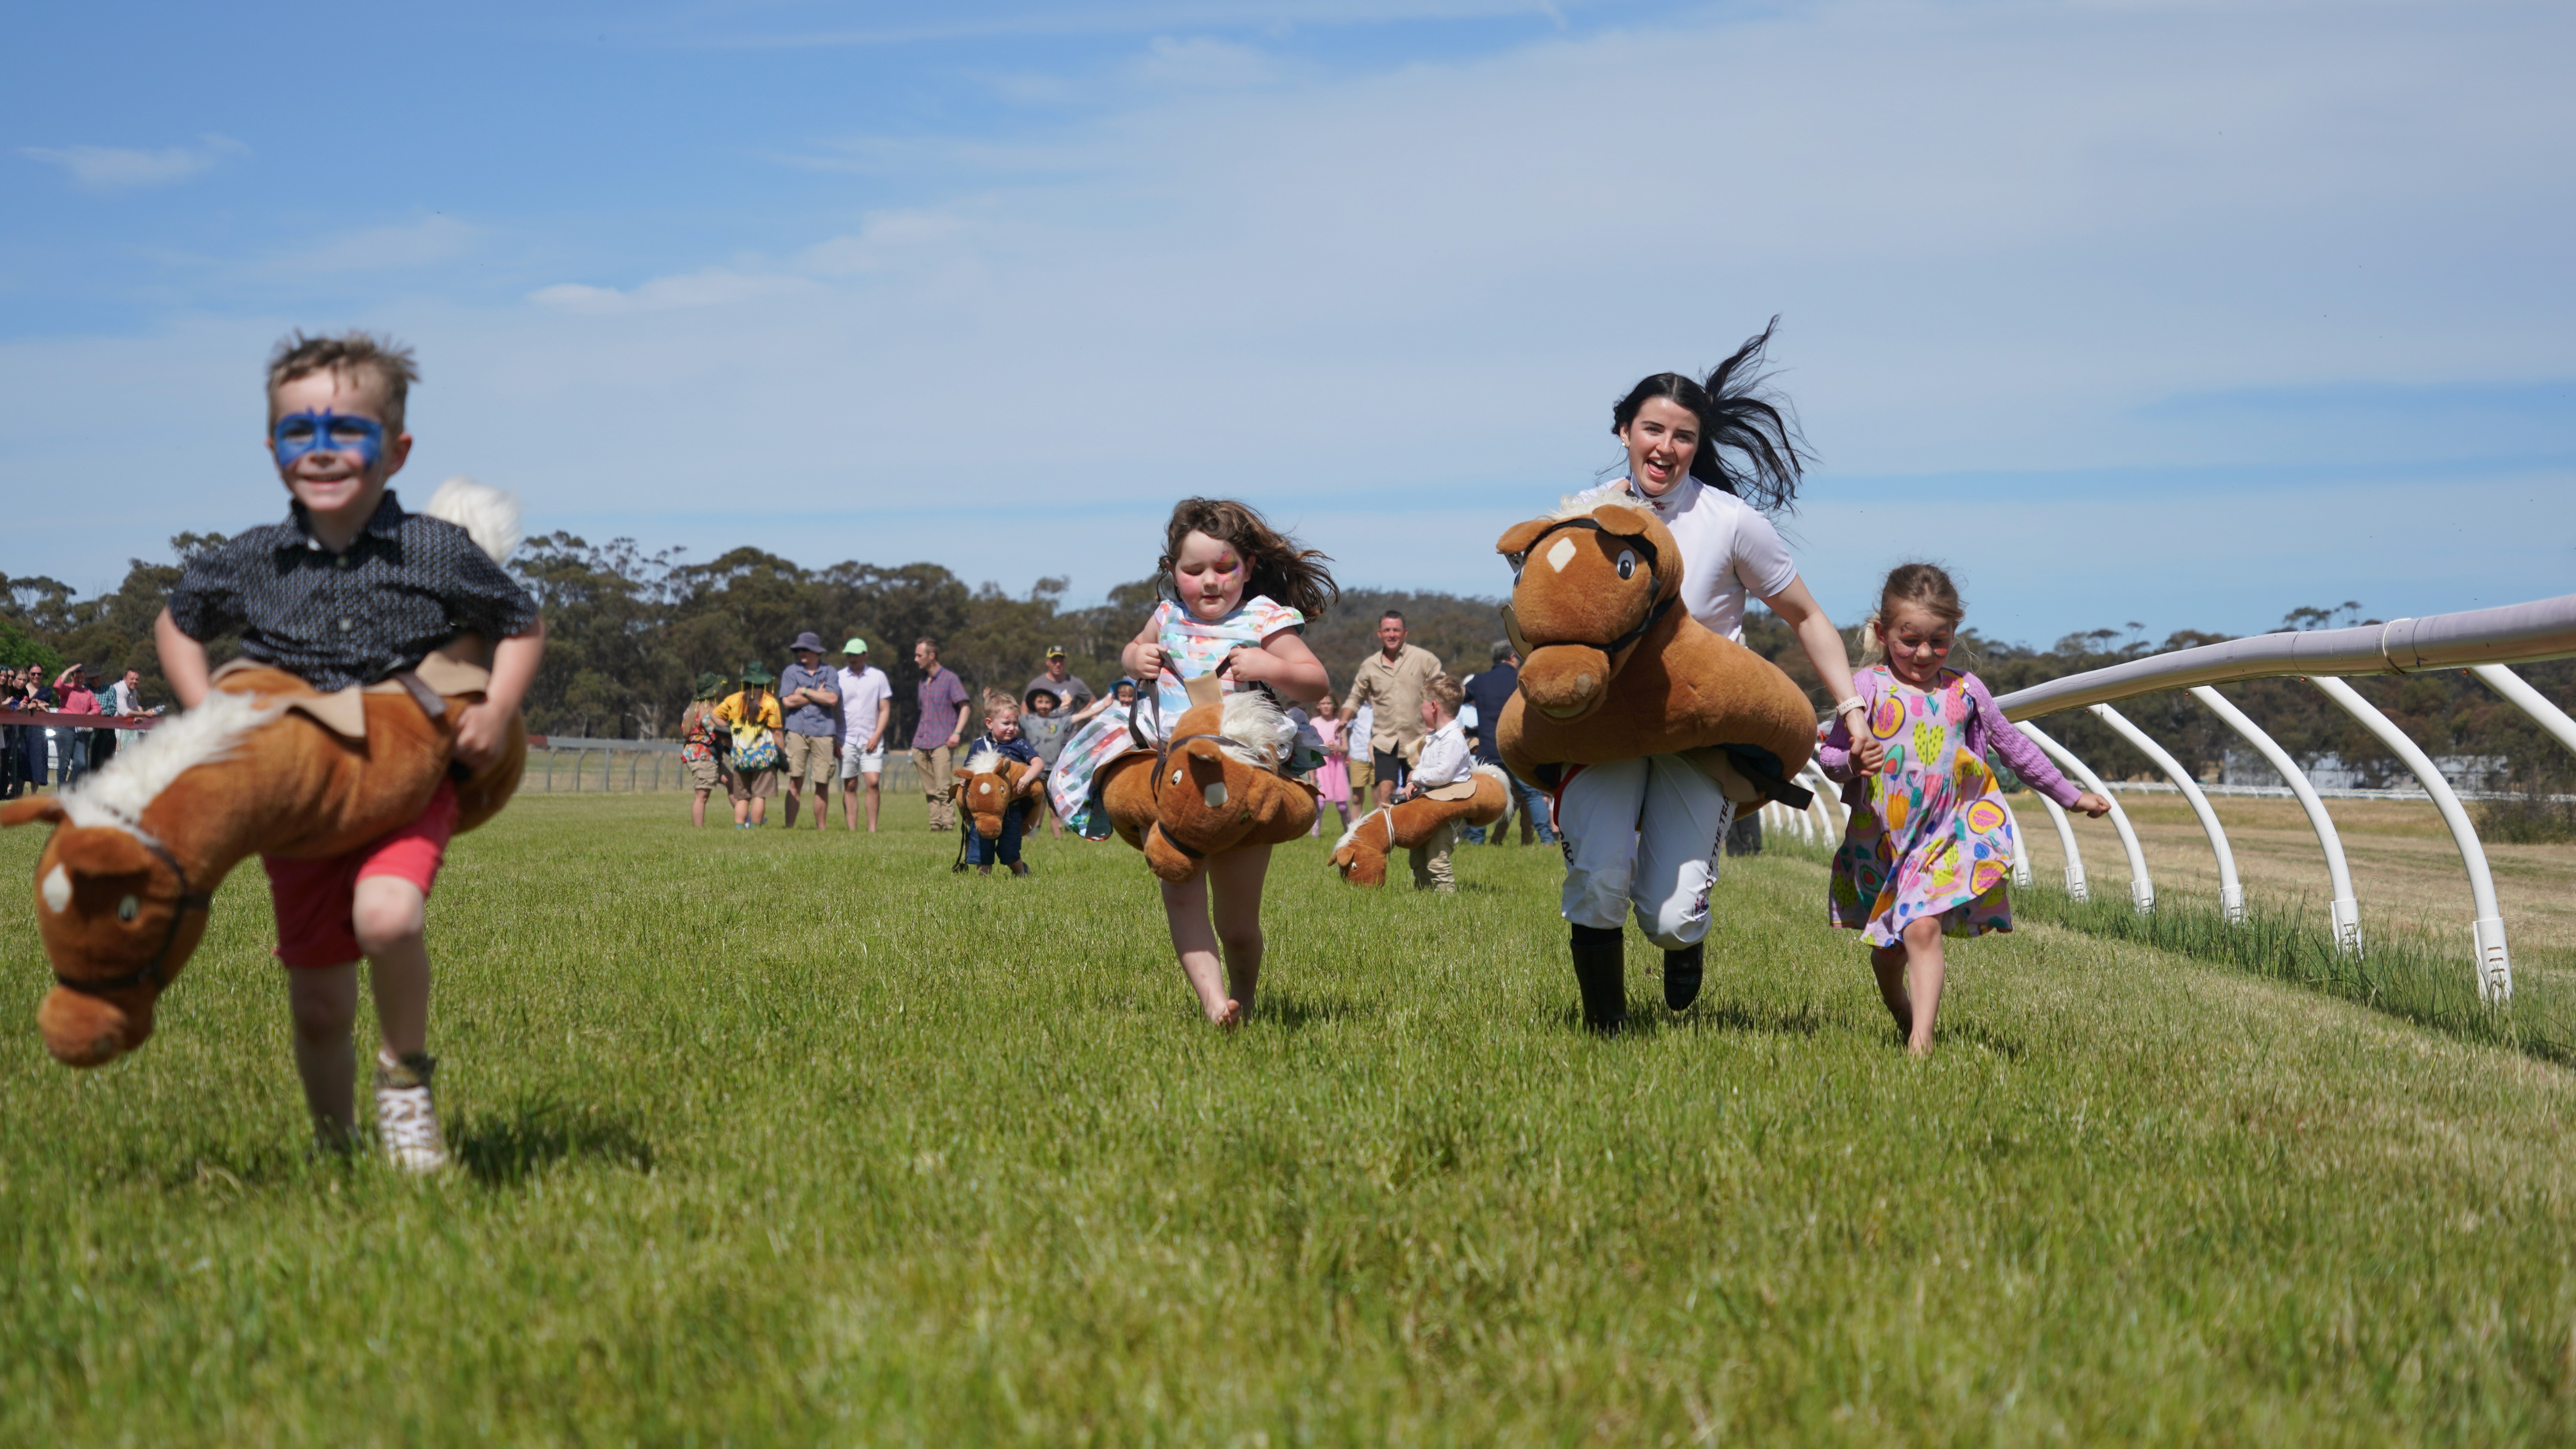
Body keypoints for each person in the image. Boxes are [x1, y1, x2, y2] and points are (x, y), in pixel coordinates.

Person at [154, 330, 546, 1170]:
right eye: (300, 430)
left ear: (396, 450)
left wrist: (497, 704)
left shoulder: (435, 549)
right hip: (301, 804)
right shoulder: (253, 558)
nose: (323, 449)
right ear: (273, 447)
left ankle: (405, 1082)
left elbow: (520, 621)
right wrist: (204, 712)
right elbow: (178, 622)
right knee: (320, 1006)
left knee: (388, 915)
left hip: (408, 780)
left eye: (349, 431)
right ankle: (334, 1150)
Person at [1552, 319, 1883, 1029]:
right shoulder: (1582, 516)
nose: (1665, 447)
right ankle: (1605, 1032)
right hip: (1606, 729)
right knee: (1598, 878)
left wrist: (1852, 710)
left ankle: (1684, 942)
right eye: (1652, 429)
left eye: (1684, 436)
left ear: (1697, 446)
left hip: (1697, 733)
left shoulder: (1731, 522)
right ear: (1623, 431)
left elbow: (1808, 617)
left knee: (1670, 916)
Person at [1046, 498, 1335, 1026]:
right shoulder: (1167, 616)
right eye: (1193, 569)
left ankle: (1244, 999)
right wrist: (1136, 657)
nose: (1210, 582)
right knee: (1180, 898)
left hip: (1239, 776)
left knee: (1238, 924)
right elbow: (1134, 648)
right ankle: (1214, 1004)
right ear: (1172, 570)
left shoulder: (1263, 617)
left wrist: (1268, 663)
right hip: (1171, 772)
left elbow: (1316, 681)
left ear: (1248, 567)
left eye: (1224, 568)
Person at [1819, 564, 2110, 1055]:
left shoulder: (1967, 691)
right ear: (1883, 633)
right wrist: (1851, 761)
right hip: (1884, 840)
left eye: (1939, 641)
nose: (1924, 654)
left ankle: (1922, 1045)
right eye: (1910, 640)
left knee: (1923, 926)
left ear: (1954, 633)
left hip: (1947, 833)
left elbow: (2014, 747)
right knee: (1890, 952)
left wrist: (2070, 795)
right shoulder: (1865, 688)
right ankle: (1897, 1002)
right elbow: (1830, 756)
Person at [1340, 612, 1440, 807]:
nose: (1392, 635)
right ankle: (1387, 827)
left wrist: (1438, 723)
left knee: (1419, 793)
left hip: (1418, 739)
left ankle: (1415, 827)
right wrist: (1344, 719)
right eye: (1387, 630)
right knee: (1385, 791)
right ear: (1380, 633)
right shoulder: (1370, 665)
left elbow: (1441, 692)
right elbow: (1356, 697)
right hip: (1385, 740)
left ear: (1405, 633)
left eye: (1396, 630)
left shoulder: (1425, 659)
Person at [1393, 672, 1473, 893]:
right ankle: (1424, 895)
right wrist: (1415, 785)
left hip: (1445, 810)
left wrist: (1415, 776)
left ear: (1434, 707)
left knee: (1437, 860)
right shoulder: (1435, 737)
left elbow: (1443, 775)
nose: (1421, 709)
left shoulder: (1453, 738)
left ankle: (1446, 900)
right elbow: (1429, 769)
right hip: (1427, 806)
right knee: (1418, 857)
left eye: (1423, 704)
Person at [962, 689, 1045, 876]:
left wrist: (1027, 778)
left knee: (1010, 850)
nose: (1012, 728)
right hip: (985, 811)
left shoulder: (1020, 745)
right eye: (1006, 723)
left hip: (1011, 810)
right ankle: (983, 882)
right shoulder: (979, 745)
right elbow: (970, 770)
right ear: (989, 723)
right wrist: (964, 781)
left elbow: (1039, 764)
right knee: (982, 850)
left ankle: (1022, 873)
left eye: (1015, 723)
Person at [775, 631, 841, 831]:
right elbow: (788, 702)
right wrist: (817, 694)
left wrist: (804, 691)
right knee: (795, 780)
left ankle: (821, 828)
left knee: (822, 782)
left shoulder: (830, 672)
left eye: (805, 649)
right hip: (797, 731)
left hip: (824, 732)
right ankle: (789, 827)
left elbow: (832, 699)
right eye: (799, 650)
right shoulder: (791, 672)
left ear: (816, 651)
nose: (801, 653)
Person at [910, 637, 970, 832]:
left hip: (943, 741)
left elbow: (965, 707)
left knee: (943, 787)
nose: (916, 659)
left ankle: (948, 823)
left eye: (919, 655)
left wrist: (957, 733)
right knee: (929, 788)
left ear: (931, 656)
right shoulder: (922, 682)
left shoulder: (950, 679)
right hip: (921, 741)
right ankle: (935, 824)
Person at [835, 637, 893, 833]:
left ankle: (872, 830)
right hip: (846, 738)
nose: (852, 658)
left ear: (865, 655)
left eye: (856, 655)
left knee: (873, 783)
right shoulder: (839, 677)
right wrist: (835, 739)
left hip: (872, 738)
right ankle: (852, 830)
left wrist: (877, 736)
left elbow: (885, 709)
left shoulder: (878, 677)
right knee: (850, 785)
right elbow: (833, 710)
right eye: (849, 655)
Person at [715, 663, 784, 828]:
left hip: (740, 756)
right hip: (763, 757)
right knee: (760, 795)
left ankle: (740, 827)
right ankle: (755, 827)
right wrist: (783, 754)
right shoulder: (770, 702)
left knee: (743, 797)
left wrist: (730, 731)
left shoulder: (733, 699)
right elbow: (777, 733)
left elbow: (714, 716)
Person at [1019, 685, 1074, 840]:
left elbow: (1080, 717)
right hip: (1034, 770)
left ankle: (1059, 839)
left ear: (1053, 704)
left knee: (1054, 807)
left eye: (1047, 702)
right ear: (1033, 703)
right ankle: (1030, 838)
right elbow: (1006, 714)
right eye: (1040, 702)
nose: (1044, 705)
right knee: (1035, 805)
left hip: (1054, 771)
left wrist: (1103, 706)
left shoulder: (1059, 722)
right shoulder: (1027, 721)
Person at [677, 673, 728, 828]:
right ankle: (698, 831)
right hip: (704, 756)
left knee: (733, 783)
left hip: (704, 756)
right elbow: (718, 732)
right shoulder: (709, 712)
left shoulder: (691, 709)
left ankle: (745, 821)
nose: (721, 690)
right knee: (702, 796)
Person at [1310, 690, 1352, 836]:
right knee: (1320, 803)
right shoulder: (1314, 723)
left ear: (1335, 705)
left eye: (1329, 703)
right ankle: (1315, 834)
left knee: (1342, 807)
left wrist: (1338, 748)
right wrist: (1323, 748)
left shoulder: (1339, 724)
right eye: (1323, 704)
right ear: (1318, 706)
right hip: (1321, 766)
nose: (1326, 706)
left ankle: (1349, 832)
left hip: (1337, 767)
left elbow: (1346, 748)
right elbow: (1311, 747)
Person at [52, 665, 97, 788]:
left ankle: (69, 787)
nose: (80, 680)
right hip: (65, 728)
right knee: (64, 761)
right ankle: (62, 790)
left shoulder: (87, 692)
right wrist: (68, 671)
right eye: (77, 677)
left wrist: (91, 713)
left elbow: (97, 707)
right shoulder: (67, 689)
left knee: (81, 763)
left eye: (82, 678)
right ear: (72, 677)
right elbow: (57, 686)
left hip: (80, 730)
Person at [1024, 646, 1095, 716]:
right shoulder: (1036, 684)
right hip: (1043, 724)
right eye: (1054, 661)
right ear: (1047, 662)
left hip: (1068, 724)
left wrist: (1079, 717)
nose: (1058, 664)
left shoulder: (1075, 683)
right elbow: (1025, 710)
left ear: (1066, 662)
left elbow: (1093, 702)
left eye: (1061, 661)